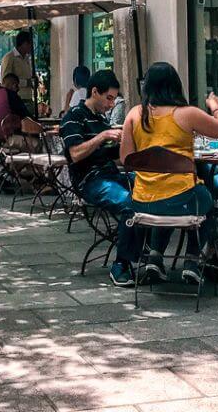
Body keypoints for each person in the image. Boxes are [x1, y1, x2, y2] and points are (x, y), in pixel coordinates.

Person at [120, 62, 218, 285]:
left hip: (142, 202)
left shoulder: (135, 114)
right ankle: (192, 261)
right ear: (176, 85)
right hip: (182, 199)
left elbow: (126, 159)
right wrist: (215, 107)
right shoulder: (187, 113)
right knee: (206, 200)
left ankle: (155, 257)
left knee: (168, 197)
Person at [60, 69, 140, 287]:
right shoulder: (73, 117)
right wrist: (103, 136)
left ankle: (151, 257)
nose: (112, 104)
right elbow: (75, 154)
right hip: (90, 180)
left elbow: (117, 158)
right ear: (95, 92)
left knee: (156, 190)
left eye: (114, 99)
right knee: (129, 204)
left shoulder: (101, 120)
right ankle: (121, 264)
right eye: (109, 98)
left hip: (112, 175)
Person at [1, 30, 34, 110]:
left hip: (28, 97)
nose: (31, 47)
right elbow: (5, 81)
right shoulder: (9, 57)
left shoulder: (27, 58)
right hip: (16, 98)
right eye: (30, 44)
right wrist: (26, 82)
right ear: (24, 44)